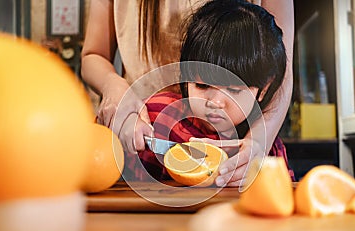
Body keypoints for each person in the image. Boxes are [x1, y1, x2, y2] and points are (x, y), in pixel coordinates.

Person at [81, 0, 294, 186]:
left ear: (263, 89)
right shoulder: (155, 122)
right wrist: (115, 95)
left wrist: (258, 143)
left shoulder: (270, 151)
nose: (216, 102)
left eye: (234, 90)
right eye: (202, 86)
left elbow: (279, 199)